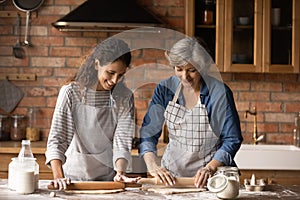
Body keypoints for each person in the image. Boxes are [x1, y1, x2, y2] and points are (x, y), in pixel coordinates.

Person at [139, 37, 243, 188]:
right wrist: (152, 166)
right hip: (172, 178)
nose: (185, 77)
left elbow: (232, 139)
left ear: (203, 67)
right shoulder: (164, 89)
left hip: (212, 179)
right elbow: (148, 133)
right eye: (179, 69)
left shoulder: (219, 93)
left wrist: (210, 168)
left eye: (192, 70)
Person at [46, 38, 139, 190]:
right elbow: (57, 139)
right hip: (72, 180)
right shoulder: (71, 93)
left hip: (108, 181)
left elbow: (122, 142)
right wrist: (58, 177)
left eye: (120, 75)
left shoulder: (125, 97)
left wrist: (120, 171)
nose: (115, 80)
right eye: (110, 72)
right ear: (97, 64)